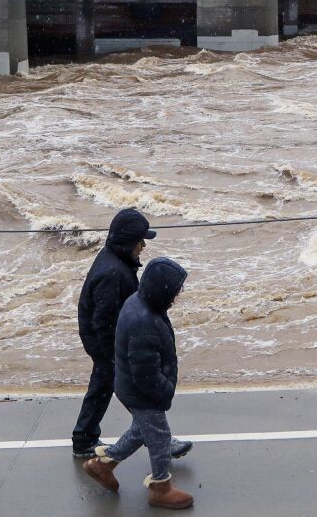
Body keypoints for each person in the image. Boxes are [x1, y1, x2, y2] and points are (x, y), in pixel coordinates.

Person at [72, 209, 193, 461]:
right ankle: (161, 440)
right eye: (140, 240)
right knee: (137, 394)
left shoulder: (117, 262)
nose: (143, 246)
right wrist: (115, 357)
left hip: (105, 340)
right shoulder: (113, 274)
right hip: (107, 342)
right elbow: (102, 322)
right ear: (128, 243)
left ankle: (84, 437)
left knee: (103, 386)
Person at [82, 257, 194, 510]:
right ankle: (160, 487)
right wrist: (164, 392)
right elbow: (145, 371)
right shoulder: (145, 321)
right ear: (162, 290)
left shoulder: (138, 302)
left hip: (129, 385)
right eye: (176, 291)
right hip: (143, 391)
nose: (178, 295)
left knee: (141, 430)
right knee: (160, 436)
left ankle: (104, 464)